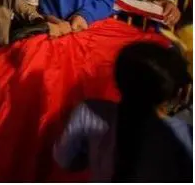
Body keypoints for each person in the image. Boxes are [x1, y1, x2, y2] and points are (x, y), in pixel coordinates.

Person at [54, 42, 192, 182]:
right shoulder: (186, 133)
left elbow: (65, 159)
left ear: (117, 80)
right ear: (179, 92)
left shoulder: (87, 111)